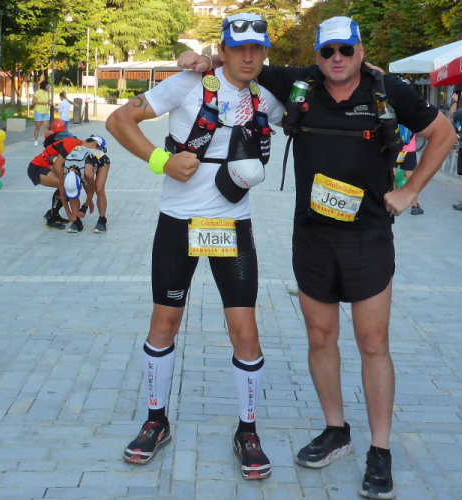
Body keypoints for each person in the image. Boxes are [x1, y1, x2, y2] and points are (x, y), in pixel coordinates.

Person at [178, 16, 455, 499]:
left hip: (368, 236)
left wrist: (411, 190)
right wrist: (197, 59)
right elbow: (240, 64)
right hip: (311, 236)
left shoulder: (388, 90)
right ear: (318, 55)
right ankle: (336, 430)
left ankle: (381, 450)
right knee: (321, 337)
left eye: (345, 50)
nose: (337, 59)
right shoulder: (298, 83)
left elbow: (444, 133)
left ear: (360, 50)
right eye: (328, 52)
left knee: (373, 342)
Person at [105, 13, 284, 479]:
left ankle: (248, 431)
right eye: (238, 48)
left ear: (266, 52)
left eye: (257, 48)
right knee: (164, 323)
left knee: (245, 330)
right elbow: (119, 120)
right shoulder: (187, 84)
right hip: (178, 223)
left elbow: (321, 111)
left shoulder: (268, 97)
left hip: (232, 226)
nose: (248, 57)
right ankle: (156, 421)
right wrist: (160, 160)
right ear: (222, 50)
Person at [26, 133, 108, 230]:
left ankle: (53, 213)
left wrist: (89, 200)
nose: (94, 153)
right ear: (93, 144)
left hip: (47, 167)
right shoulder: (72, 143)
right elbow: (57, 165)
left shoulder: (80, 150)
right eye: (97, 150)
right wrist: (69, 212)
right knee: (66, 185)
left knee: (72, 184)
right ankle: (52, 218)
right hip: (37, 168)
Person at [53, 136, 110, 233]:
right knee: (73, 189)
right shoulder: (65, 170)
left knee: (99, 188)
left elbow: (90, 192)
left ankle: (102, 220)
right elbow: (63, 192)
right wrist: (69, 214)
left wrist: (85, 207)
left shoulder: (88, 173)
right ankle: (77, 221)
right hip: (81, 164)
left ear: (94, 144)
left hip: (100, 162)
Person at [396, 124, 423, 215]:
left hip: (395, 147)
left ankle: (393, 201)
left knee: (392, 173)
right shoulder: (411, 117)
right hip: (409, 149)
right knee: (410, 176)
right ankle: (415, 205)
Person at [32, 81, 50, 146]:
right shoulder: (38, 92)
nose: (48, 86)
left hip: (45, 112)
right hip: (38, 112)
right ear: (45, 85)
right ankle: (36, 140)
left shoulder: (47, 93)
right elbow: (33, 101)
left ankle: (47, 140)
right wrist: (42, 103)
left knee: (46, 126)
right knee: (38, 127)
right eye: (47, 85)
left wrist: (48, 102)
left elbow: (47, 101)